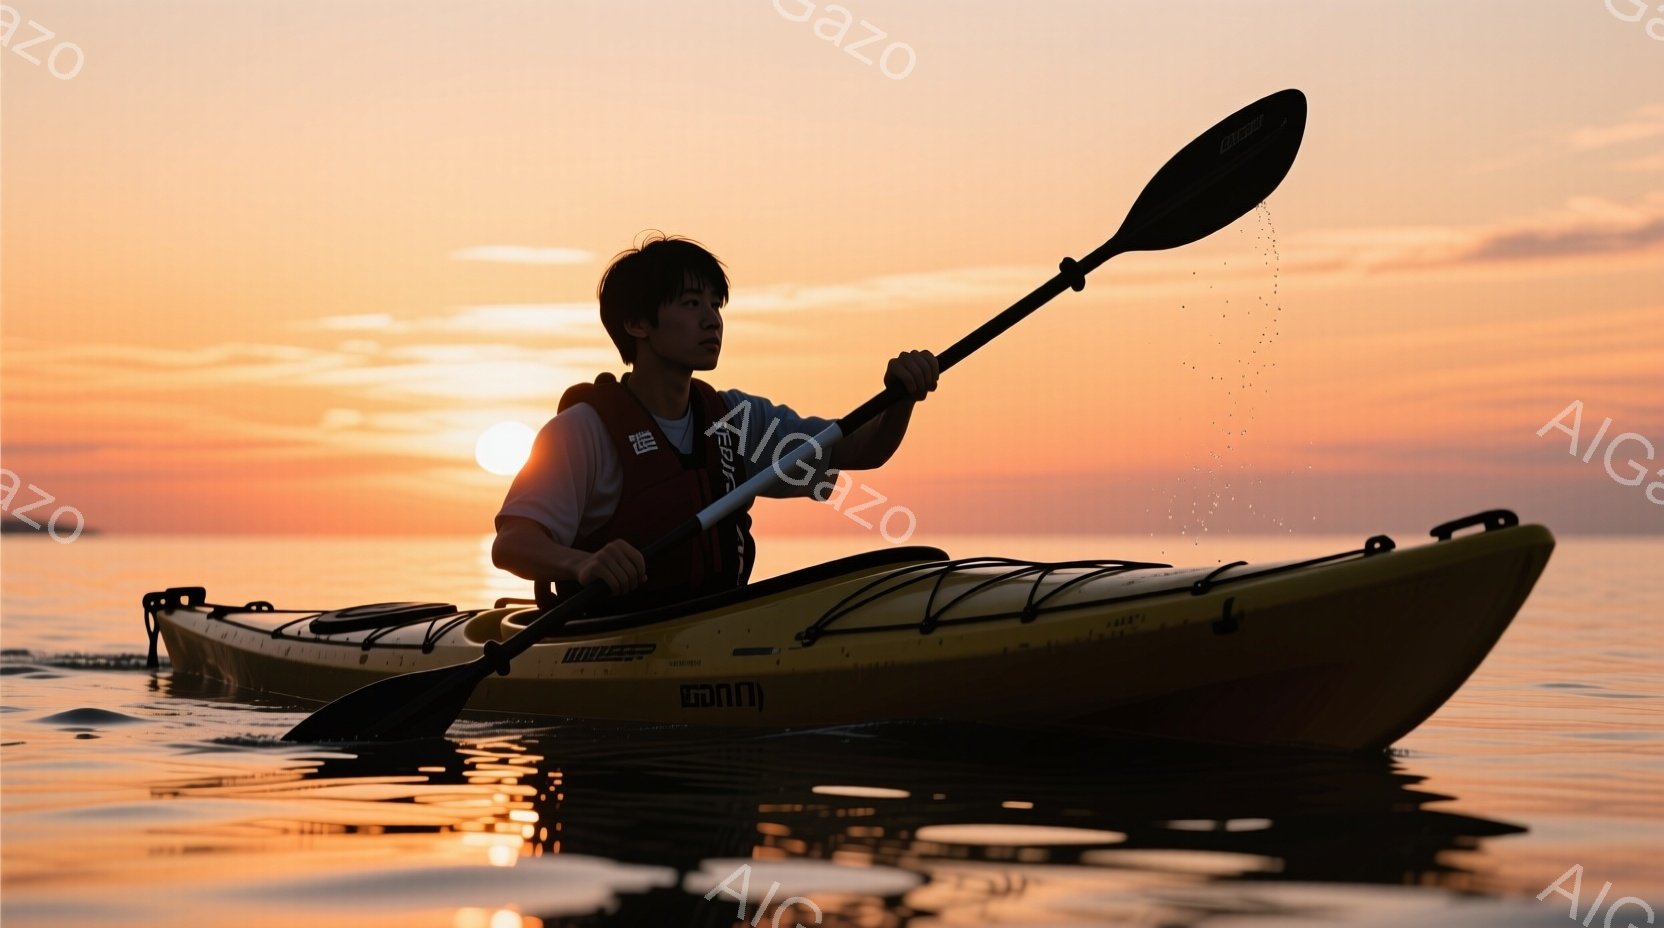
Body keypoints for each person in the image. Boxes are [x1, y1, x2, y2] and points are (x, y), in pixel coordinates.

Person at [492, 234, 938, 612]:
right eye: (691, 304)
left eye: (715, 304)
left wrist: (900, 400)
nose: (712, 320)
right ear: (637, 323)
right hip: (612, 633)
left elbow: (860, 451)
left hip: (714, 626)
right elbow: (511, 543)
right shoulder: (582, 432)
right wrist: (581, 565)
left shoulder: (737, 421)